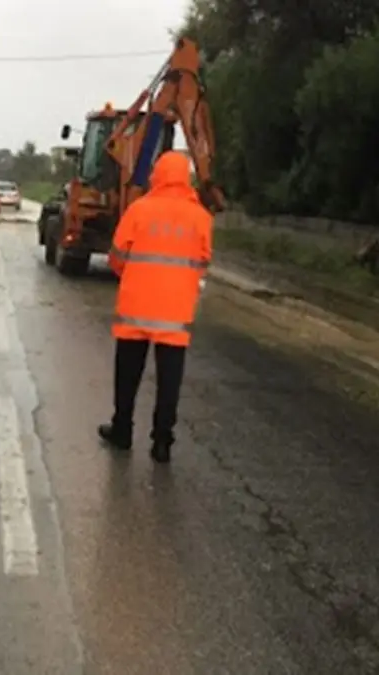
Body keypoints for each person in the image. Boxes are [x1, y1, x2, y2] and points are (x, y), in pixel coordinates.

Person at [97, 151, 213, 464]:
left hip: (135, 310)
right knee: (169, 382)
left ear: (157, 175)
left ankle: (122, 431)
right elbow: (202, 262)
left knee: (127, 375)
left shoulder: (139, 210)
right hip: (175, 315)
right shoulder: (201, 217)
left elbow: (117, 256)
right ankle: (162, 443)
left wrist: (133, 275)